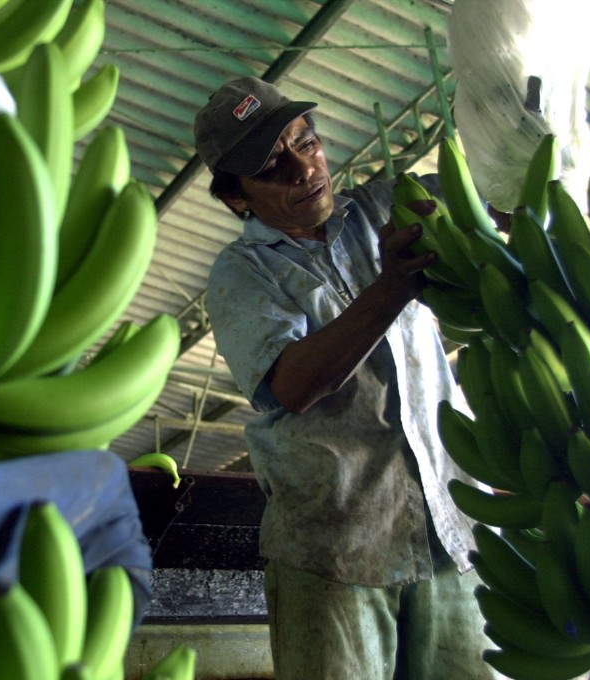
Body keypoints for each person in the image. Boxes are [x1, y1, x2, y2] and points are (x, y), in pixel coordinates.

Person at [194, 76, 498, 679]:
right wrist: (390, 289)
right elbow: (293, 384)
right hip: (334, 550)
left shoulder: (387, 208)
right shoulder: (241, 274)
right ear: (237, 199)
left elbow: (499, 206)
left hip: (452, 531)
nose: (304, 170)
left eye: (306, 143)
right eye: (273, 165)